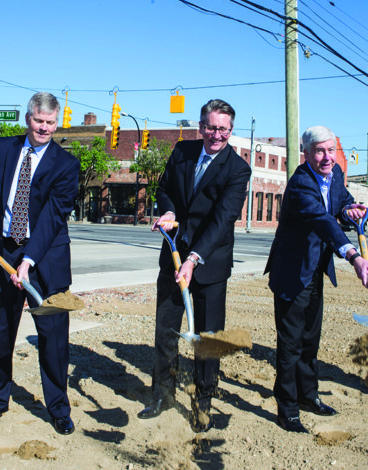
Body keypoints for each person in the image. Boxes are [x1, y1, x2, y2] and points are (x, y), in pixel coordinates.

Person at [0, 92, 80, 435]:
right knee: (0, 332)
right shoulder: (3, 148)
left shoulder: (66, 164)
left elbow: (52, 217)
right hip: (3, 252)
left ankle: (58, 407)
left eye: (50, 122)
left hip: (45, 258)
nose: (44, 128)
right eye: (38, 121)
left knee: (53, 337)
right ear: (27, 119)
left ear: (56, 122)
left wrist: (28, 262)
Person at [137, 99, 251, 433]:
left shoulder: (237, 168)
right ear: (201, 126)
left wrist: (193, 259)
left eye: (224, 129)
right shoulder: (182, 151)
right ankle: (161, 396)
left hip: (209, 264)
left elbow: (222, 219)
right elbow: (165, 189)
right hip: (172, 256)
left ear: (231, 130)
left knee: (207, 338)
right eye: (212, 127)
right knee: (166, 331)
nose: (217, 135)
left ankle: (203, 403)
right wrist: (169, 211)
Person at [265, 126, 368, 433]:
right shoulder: (300, 184)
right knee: (290, 345)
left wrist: (350, 208)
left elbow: (339, 202)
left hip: (316, 270)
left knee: (310, 340)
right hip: (291, 272)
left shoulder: (335, 173)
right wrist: (353, 255)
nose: (327, 157)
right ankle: (287, 409)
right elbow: (323, 221)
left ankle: (308, 396)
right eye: (319, 151)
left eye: (330, 150)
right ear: (307, 154)